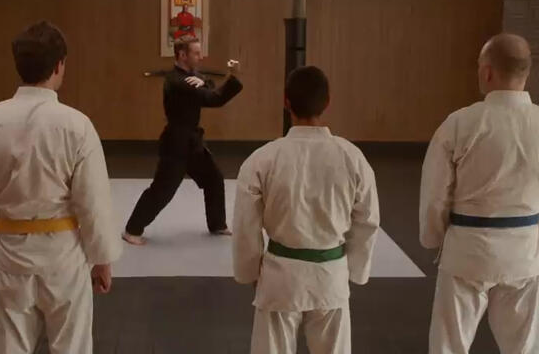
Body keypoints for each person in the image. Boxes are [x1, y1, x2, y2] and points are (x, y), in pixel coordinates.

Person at [0, 21, 122, 354]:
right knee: (71, 346)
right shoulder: (76, 125)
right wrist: (102, 259)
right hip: (63, 255)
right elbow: (92, 201)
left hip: (9, 254)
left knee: (10, 346)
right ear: (59, 65)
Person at [233, 66, 379, 354]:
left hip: (280, 277)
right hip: (330, 276)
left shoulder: (263, 159)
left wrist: (250, 271)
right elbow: (368, 220)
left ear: (286, 102)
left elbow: (245, 225)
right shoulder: (352, 157)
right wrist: (354, 269)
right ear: (327, 102)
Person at [420, 33, 539, 354]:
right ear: (526, 73)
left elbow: (435, 196)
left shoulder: (460, 124)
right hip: (524, 251)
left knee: (449, 346)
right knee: (523, 348)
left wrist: (434, 238)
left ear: (487, 72)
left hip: (467, 251)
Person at [123, 38, 243, 245]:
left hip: (192, 143)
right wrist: (233, 77)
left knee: (214, 178)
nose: (200, 57)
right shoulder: (177, 81)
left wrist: (205, 82)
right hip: (176, 144)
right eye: (196, 53)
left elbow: (207, 85)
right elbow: (214, 98)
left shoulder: (191, 77)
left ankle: (217, 224)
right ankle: (132, 230)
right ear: (182, 55)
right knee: (162, 190)